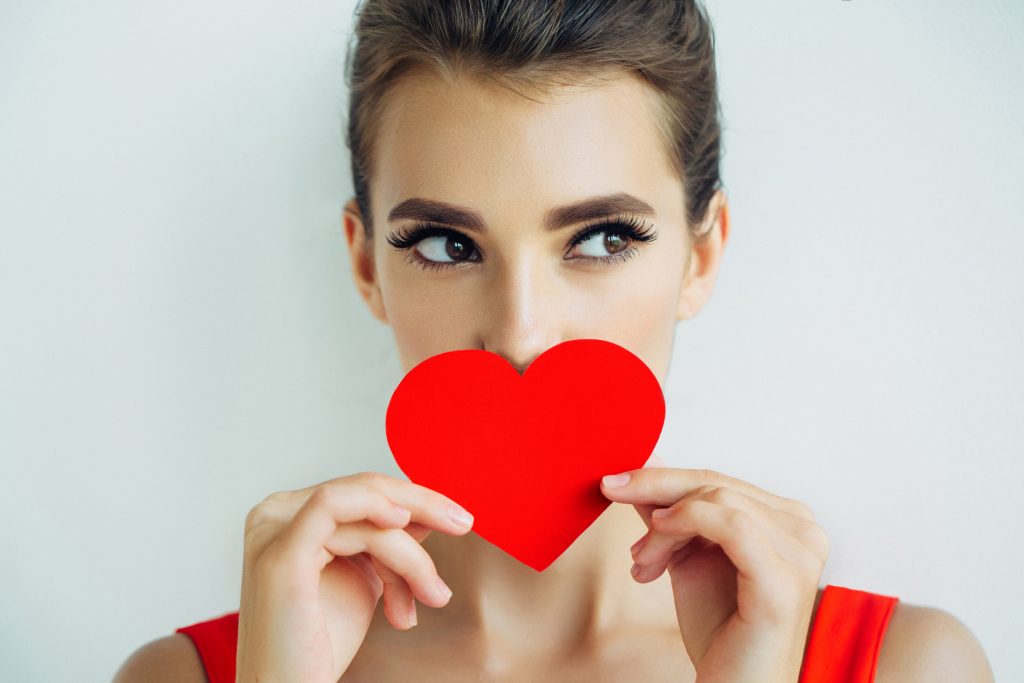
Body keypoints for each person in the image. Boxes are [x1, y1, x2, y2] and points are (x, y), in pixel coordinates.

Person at [113, 1, 995, 681]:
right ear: (366, 264)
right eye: (446, 245)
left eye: (603, 238)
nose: (522, 331)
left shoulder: (905, 667)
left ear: (702, 255)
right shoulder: (189, 676)